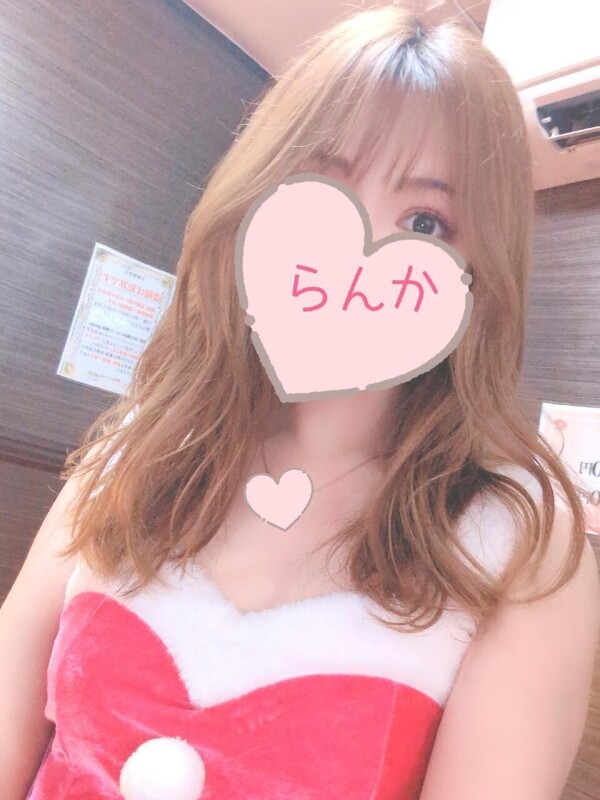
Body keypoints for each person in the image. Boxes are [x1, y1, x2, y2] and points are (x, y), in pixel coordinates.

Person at [2, 5, 599, 799]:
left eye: (426, 221)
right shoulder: (135, 450)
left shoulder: (521, 547)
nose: (361, 257)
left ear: (478, 275)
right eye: (321, 185)